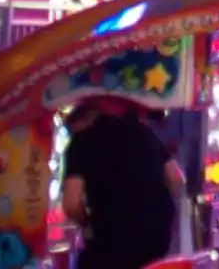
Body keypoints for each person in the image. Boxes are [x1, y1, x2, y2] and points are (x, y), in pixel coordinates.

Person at [61, 95, 186, 269]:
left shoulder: (81, 142)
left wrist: (86, 223)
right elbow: (177, 178)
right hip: (156, 236)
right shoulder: (144, 132)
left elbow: (71, 204)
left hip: (113, 236)